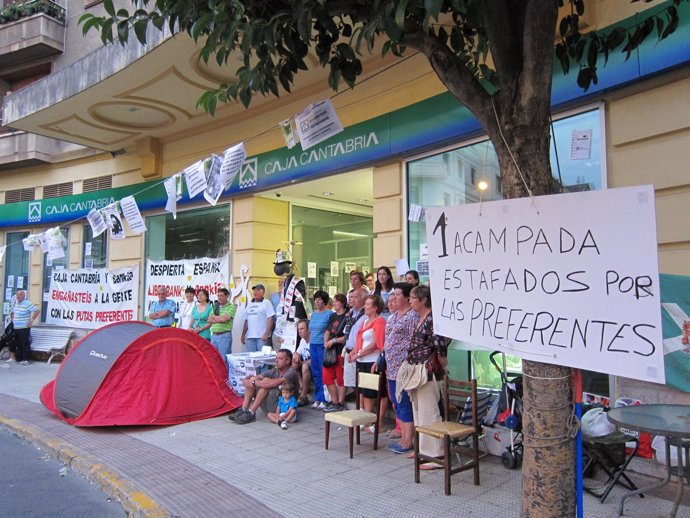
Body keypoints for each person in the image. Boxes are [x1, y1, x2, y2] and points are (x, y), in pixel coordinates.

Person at [406, 284, 449, 469]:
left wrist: (439, 362)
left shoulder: (432, 319)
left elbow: (440, 345)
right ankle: (422, 449)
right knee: (419, 411)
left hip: (428, 371)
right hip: (416, 370)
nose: (410, 301)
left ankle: (436, 454)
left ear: (423, 300)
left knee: (429, 411)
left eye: (413, 298)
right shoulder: (420, 317)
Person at [381, 282, 418, 454]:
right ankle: (403, 436)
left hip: (404, 368)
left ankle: (407, 440)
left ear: (406, 297)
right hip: (392, 367)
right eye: (393, 294)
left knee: (404, 404)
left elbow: (413, 341)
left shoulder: (412, 316)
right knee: (396, 403)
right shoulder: (393, 316)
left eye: (397, 294)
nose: (394, 297)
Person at [347, 295, 388, 433]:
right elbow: (360, 341)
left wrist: (358, 354)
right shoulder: (364, 321)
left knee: (375, 393)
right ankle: (365, 419)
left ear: (375, 307)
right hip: (362, 360)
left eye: (368, 304)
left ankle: (377, 423)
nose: (365, 306)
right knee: (363, 391)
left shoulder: (380, 321)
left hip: (373, 361)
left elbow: (376, 344)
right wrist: (353, 352)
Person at [232, 349, 300, 424]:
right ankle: (244, 409)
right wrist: (247, 380)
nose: (276, 361)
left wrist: (254, 382)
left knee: (265, 382)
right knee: (255, 380)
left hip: (283, 409)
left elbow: (275, 383)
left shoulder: (291, 372)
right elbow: (258, 377)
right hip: (272, 404)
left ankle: (251, 413)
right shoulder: (275, 370)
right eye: (276, 358)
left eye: (280, 358)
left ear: (288, 361)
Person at [322, 293, 348, 412]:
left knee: (341, 378)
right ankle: (334, 400)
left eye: (336, 301)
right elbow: (327, 330)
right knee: (327, 377)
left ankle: (340, 402)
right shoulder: (333, 316)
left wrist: (333, 341)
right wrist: (326, 341)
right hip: (329, 350)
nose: (334, 303)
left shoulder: (347, 317)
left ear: (342, 303)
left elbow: (345, 337)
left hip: (339, 350)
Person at [308, 290, 333, 410]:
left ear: (324, 301)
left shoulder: (329, 314)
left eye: (319, 300)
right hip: (312, 344)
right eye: (315, 300)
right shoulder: (313, 314)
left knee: (324, 373)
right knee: (316, 372)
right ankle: (317, 398)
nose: (317, 302)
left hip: (322, 345)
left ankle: (324, 398)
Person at [342, 287, 367, 390]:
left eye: (355, 297)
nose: (351, 300)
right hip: (349, 351)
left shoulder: (366, 315)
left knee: (361, 384)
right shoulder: (350, 314)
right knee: (352, 383)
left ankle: (361, 406)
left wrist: (355, 351)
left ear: (364, 300)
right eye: (350, 297)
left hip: (358, 352)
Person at [241, 284, 275, 353]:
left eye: (258, 290)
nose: (255, 292)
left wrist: (266, 333)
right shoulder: (249, 304)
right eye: (255, 290)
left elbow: (271, 318)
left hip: (262, 337)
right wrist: (243, 334)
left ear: (263, 292)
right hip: (250, 337)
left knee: (263, 358)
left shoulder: (266, 303)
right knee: (251, 358)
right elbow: (246, 320)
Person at [10, 290, 39, 365]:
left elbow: (37, 311)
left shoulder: (27, 303)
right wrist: (12, 316)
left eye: (20, 295)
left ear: (23, 296)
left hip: (24, 327)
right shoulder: (16, 303)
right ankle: (19, 358)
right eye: (17, 295)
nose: (18, 296)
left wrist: (31, 320)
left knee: (24, 343)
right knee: (18, 343)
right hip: (16, 327)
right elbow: (14, 312)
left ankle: (26, 359)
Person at [208, 288, 236, 360]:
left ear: (227, 296)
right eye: (218, 296)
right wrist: (220, 318)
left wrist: (215, 317)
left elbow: (224, 319)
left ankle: (225, 372)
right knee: (213, 358)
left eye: (221, 296)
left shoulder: (231, 307)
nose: (219, 298)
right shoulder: (215, 306)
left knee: (223, 359)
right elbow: (209, 320)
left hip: (224, 336)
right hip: (214, 335)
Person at [293, 320, 312, 407]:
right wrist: (296, 356)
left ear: (308, 330)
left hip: (314, 366)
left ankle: (304, 395)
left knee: (304, 366)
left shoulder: (313, 340)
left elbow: (315, 359)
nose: (299, 331)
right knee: (294, 363)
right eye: (298, 329)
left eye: (302, 329)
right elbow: (297, 352)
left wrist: (302, 362)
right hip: (305, 364)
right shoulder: (302, 340)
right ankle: (301, 386)